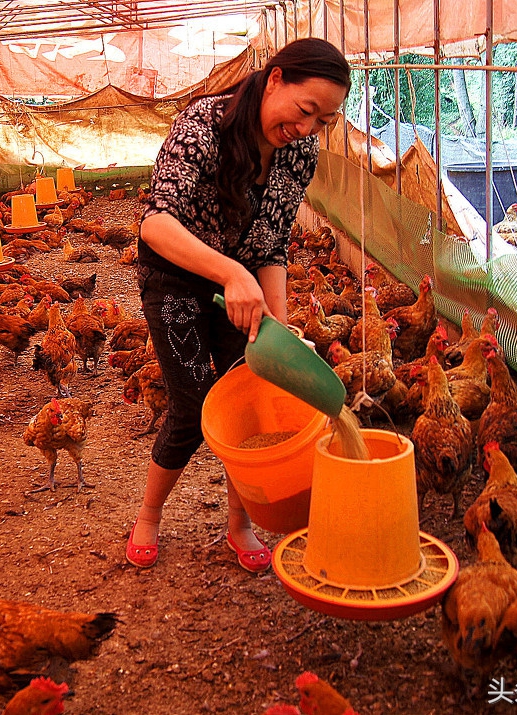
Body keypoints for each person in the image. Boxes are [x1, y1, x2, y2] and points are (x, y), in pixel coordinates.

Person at [126, 38, 351, 571]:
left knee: (250, 398)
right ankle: (150, 516)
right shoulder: (201, 127)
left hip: (243, 286)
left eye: (323, 120)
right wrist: (230, 273)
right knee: (191, 403)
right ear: (275, 79)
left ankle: (239, 523)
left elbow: (271, 245)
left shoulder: (300, 155)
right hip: (176, 275)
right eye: (305, 111)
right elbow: (156, 224)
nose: (307, 128)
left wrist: (278, 324)